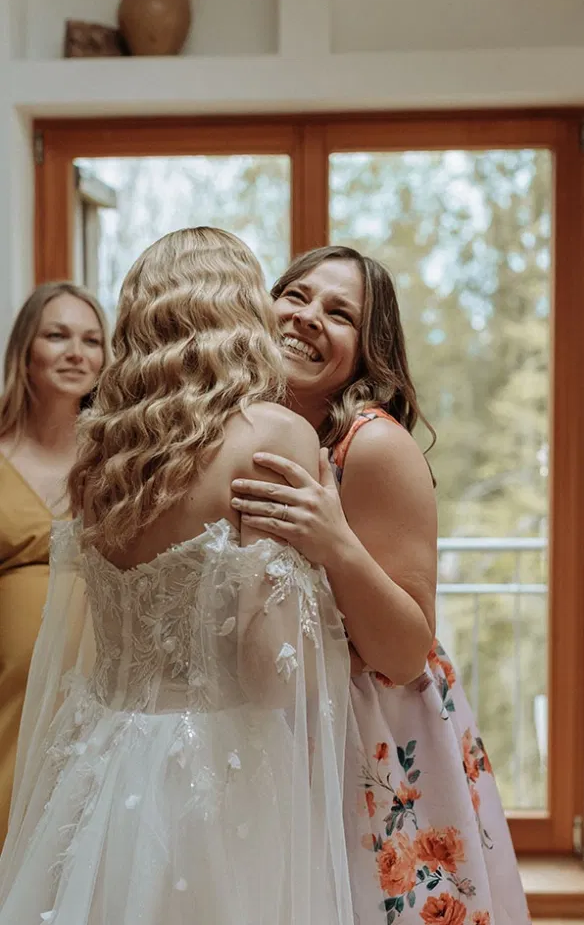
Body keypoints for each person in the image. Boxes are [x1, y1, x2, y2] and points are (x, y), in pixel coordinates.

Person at [0, 229, 353, 925]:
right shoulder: (275, 435)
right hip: (214, 770)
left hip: (99, 757)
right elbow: (268, 668)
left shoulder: (100, 450)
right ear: (242, 314)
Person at [230, 245, 529, 924]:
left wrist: (334, 541)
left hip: (370, 740)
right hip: (273, 724)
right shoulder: (242, 430)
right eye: (297, 297)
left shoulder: (371, 446)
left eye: (339, 315)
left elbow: (403, 652)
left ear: (367, 355)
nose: (308, 319)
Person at [0, 282, 108, 850]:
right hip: (8, 696)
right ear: (25, 350)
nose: (76, 352)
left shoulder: (115, 457)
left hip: (99, 683)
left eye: (91, 340)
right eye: (57, 335)